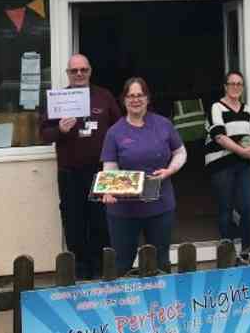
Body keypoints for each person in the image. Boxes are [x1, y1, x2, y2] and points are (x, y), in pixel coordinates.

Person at [40, 54, 121, 280]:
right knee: (73, 221)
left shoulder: (104, 96)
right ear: (68, 73)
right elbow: (44, 133)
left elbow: (119, 129)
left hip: (100, 171)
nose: (79, 74)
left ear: (90, 71)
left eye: (83, 70)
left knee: (101, 220)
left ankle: (101, 269)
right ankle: (81, 269)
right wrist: (61, 131)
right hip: (70, 172)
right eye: (74, 71)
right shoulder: (58, 99)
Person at [101, 77, 186, 274]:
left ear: (147, 98)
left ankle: (160, 303)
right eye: (130, 96)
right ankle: (125, 303)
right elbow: (110, 167)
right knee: (121, 263)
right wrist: (109, 190)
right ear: (124, 100)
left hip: (160, 206)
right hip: (124, 211)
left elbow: (181, 152)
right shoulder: (115, 132)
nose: (135, 100)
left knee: (160, 262)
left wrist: (170, 170)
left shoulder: (163, 124)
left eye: (139, 95)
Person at [205, 70, 250, 262]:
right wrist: (241, 151)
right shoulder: (216, 107)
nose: (235, 87)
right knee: (225, 209)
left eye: (239, 84)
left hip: (242, 165)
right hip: (221, 164)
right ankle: (228, 254)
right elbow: (219, 136)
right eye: (231, 83)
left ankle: (245, 252)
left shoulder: (246, 109)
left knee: (248, 209)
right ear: (225, 86)